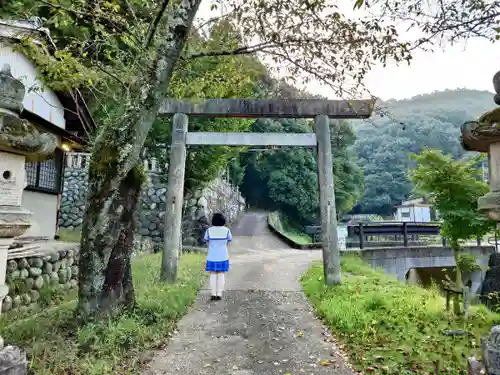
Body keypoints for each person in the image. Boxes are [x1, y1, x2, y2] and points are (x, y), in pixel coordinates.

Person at [204, 213, 232, 301]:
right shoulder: (227, 230)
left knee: (212, 274)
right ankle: (219, 294)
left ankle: (213, 293)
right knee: (221, 274)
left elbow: (207, 242)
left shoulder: (209, 230)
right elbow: (228, 242)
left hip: (212, 256)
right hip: (223, 256)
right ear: (223, 221)